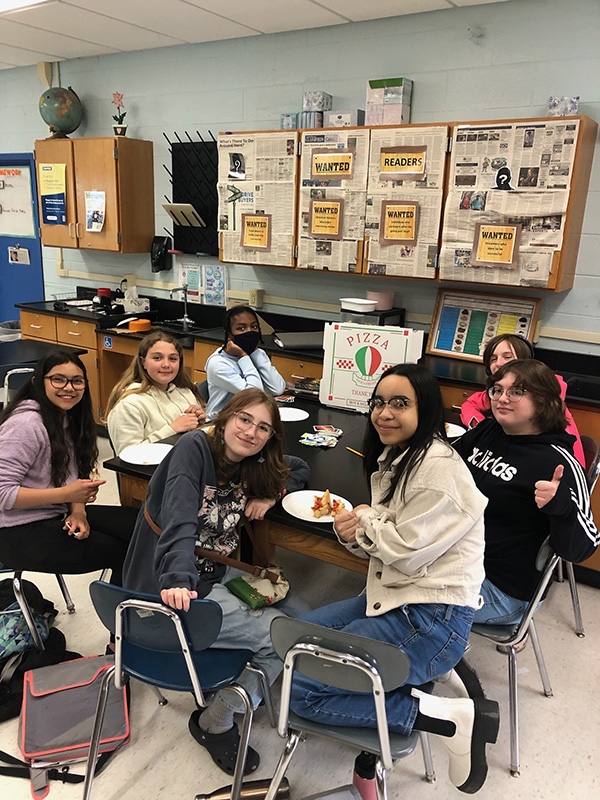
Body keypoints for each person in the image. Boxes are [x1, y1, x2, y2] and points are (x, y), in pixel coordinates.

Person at [289, 364, 499, 795]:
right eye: (379, 402)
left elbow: (403, 551)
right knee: (298, 644)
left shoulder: (438, 470)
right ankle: (409, 677)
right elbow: (390, 547)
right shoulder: (400, 459)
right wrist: (355, 533)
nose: (384, 413)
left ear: (426, 408)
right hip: (397, 595)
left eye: (400, 403)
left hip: (430, 616)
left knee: (302, 692)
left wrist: (364, 518)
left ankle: (444, 716)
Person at [122, 388, 309, 776]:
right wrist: (175, 577)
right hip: (173, 591)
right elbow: (178, 516)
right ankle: (216, 720)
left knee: (302, 614)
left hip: (214, 576)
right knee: (289, 638)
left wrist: (275, 496)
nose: (251, 432)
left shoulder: (254, 461)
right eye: (244, 420)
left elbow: (300, 467)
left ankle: (247, 681)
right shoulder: (194, 447)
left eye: (263, 428)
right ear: (224, 417)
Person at [454, 359, 599, 626]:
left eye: (517, 391)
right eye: (497, 390)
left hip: (503, 590)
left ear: (543, 401)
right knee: (389, 580)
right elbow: (445, 460)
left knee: (403, 602)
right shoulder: (488, 431)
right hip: (458, 561)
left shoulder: (559, 463)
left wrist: (561, 507)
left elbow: (582, 547)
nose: (502, 398)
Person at [0, 351, 138, 586]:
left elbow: (73, 477)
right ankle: (127, 616)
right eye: (58, 379)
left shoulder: (68, 419)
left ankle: (137, 606)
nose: (69, 387)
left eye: (77, 381)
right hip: (15, 531)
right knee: (126, 551)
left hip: (55, 513)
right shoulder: (25, 425)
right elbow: (3, 494)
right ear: (37, 382)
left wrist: (78, 512)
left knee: (140, 525)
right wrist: (66, 495)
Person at [460, 333, 584, 466]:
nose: (499, 363)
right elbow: (471, 404)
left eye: (507, 357)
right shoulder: (496, 395)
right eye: (493, 359)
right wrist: (481, 428)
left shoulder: (545, 396)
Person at [105, 330, 206, 455]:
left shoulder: (185, 393)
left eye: (173, 359)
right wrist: (172, 429)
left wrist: (200, 422)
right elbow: (128, 455)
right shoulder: (129, 405)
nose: (166, 364)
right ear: (143, 362)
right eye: (157, 358)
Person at [204, 306, 285, 419]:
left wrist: (254, 352)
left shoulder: (257, 354)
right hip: (221, 422)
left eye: (254, 327)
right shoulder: (218, 363)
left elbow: (277, 389)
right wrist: (243, 357)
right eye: (241, 328)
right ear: (229, 334)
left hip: (250, 417)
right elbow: (254, 395)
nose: (249, 332)